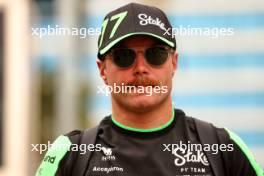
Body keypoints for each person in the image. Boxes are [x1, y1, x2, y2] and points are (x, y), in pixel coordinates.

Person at [36, 3, 263, 176]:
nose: (141, 68)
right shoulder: (69, 154)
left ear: (173, 63)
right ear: (103, 70)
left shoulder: (222, 147)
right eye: (124, 57)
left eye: (155, 54)